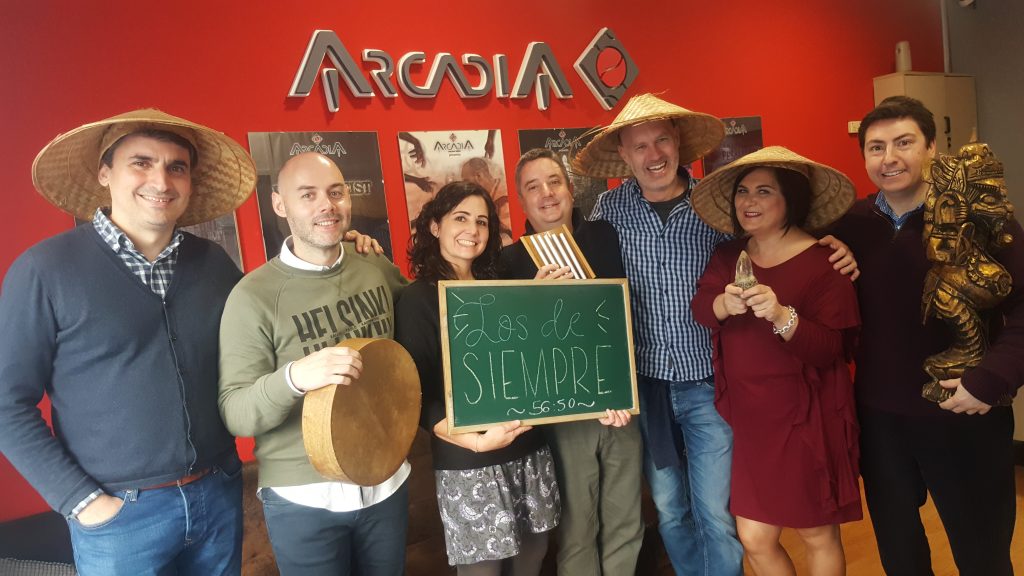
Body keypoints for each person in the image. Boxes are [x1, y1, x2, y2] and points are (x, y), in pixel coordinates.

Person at [574, 93, 858, 576]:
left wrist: (838, 248)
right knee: (670, 509)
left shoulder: (717, 209)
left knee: (719, 514)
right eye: (639, 146)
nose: (653, 155)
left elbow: (778, 242)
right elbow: (587, 286)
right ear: (623, 155)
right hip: (646, 382)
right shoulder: (607, 210)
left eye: (662, 140)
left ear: (678, 143)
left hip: (710, 382)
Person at [0, 109, 256, 575]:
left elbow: (266, 331)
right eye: (141, 162)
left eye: (176, 167)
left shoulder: (213, 263)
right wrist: (81, 501)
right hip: (119, 516)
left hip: (217, 493)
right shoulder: (45, 270)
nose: (161, 180)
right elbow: (6, 403)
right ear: (105, 173)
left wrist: (342, 252)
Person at [829, 96, 1022, 576]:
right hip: (881, 420)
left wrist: (991, 379)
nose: (889, 158)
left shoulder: (981, 220)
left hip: (965, 412)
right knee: (900, 556)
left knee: (983, 557)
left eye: (904, 142)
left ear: (932, 147)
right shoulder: (850, 226)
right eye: (876, 147)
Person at [218, 152, 410, 576]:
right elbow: (236, 412)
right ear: (279, 204)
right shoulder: (252, 296)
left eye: (336, 192)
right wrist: (294, 377)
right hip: (304, 498)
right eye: (308, 195)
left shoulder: (373, 264)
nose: (327, 205)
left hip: (387, 481)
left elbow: (425, 316)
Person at [690, 147, 861, 575]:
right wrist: (724, 304)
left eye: (764, 191)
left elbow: (830, 350)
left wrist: (783, 316)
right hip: (751, 419)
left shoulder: (824, 263)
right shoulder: (729, 256)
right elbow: (701, 307)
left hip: (806, 417)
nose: (749, 201)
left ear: (791, 199)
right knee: (754, 537)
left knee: (816, 532)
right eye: (743, 191)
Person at [395, 181, 560, 576]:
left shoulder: (502, 287)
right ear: (435, 226)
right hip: (469, 460)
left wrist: (535, 302)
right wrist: (473, 440)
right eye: (461, 218)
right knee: (483, 569)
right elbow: (417, 394)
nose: (472, 230)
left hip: (527, 445)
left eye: (482, 222)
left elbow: (526, 359)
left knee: (533, 556)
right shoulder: (418, 300)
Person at [499, 148, 642, 575]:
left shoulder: (605, 236)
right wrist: (532, 300)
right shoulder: (509, 262)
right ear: (522, 202)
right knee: (578, 530)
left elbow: (626, 312)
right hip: (562, 416)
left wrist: (622, 388)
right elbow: (508, 347)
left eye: (554, 182)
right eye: (533, 187)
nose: (546, 193)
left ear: (570, 188)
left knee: (627, 522)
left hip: (620, 404)